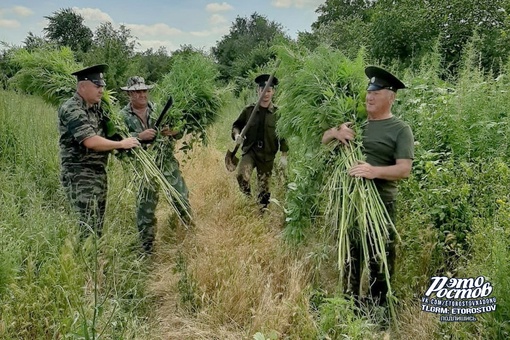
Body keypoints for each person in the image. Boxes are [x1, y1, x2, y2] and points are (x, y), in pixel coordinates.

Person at [321, 66, 414, 309]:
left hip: (381, 205)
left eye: (377, 92)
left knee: (379, 259)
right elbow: (323, 140)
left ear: (391, 97)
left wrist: (374, 172)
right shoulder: (356, 123)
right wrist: (335, 132)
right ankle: (349, 305)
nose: (369, 96)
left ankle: (379, 309)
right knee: (351, 257)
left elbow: (404, 169)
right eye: (368, 91)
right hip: (350, 202)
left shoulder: (400, 129)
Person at [58, 64, 140, 238]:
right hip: (79, 174)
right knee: (87, 224)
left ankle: (96, 260)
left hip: (98, 172)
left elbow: (113, 132)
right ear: (82, 86)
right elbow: (90, 141)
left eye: (102, 86)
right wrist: (121, 145)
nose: (101, 90)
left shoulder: (98, 108)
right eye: (97, 86)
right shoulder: (71, 109)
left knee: (97, 222)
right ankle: (84, 261)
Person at [119, 76, 190, 253]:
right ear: (129, 94)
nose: (142, 94)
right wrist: (139, 137)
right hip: (143, 166)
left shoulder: (159, 110)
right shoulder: (122, 116)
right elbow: (119, 142)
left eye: (144, 91)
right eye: (137, 91)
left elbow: (178, 132)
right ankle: (147, 248)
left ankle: (189, 234)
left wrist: (172, 132)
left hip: (165, 162)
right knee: (146, 208)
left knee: (181, 198)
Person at [231, 74, 289, 210]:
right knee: (241, 176)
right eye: (263, 90)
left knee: (264, 191)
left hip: (267, 155)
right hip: (250, 152)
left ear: (273, 92)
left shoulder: (277, 113)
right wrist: (237, 135)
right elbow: (236, 125)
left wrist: (284, 156)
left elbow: (283, 136)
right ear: (258, 91)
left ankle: (261, 213)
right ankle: (248, 199)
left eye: (268, 91)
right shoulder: (249, 110)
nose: (265, 94)